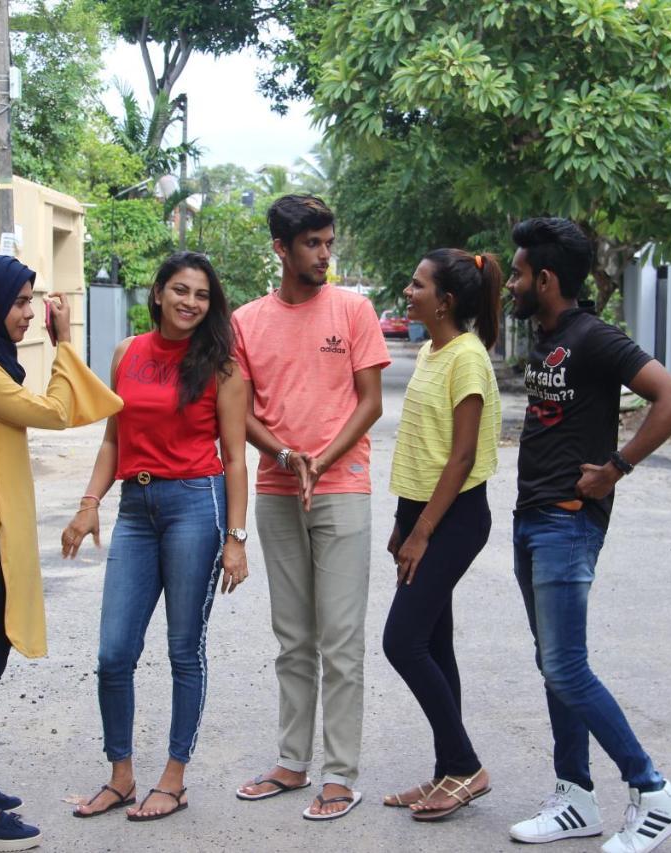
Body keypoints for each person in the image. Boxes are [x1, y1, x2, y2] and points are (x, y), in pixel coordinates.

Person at [503, 218, 671, 853]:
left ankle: (654, 790)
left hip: (567, 520)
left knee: (566, 666)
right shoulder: (547, 334)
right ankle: (576, 797)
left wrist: (616, 467)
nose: (511, 283)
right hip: (533, 517)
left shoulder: (594, 337)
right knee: (551, 664)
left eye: (519, 273)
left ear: (547, 279)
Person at [0, 254, 122, 853]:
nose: (29, 313)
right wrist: (65, 343)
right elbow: (56, 412)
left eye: (32, 299)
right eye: (17, 302)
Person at [60, 251, 249, 822]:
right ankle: (121, 775)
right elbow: (114, 439)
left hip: (196, 502)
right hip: (136, 508)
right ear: (160, 292)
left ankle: (174, 776)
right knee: (114, 652)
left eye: (202, 295)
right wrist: (90, 503)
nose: (191, 303)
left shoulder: (222, 365)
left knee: (183, 648)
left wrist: (236, 536)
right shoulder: (128, 353)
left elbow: (235, 459)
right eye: (181, 290)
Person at [233, 195, 390, 821]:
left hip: (341, 488)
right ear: (281, 248)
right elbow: (237, 412)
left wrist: (320, 461)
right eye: (313, 245)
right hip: (277, 491)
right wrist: (285, 455)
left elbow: (370, 402)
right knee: (292, 637)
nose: (325, 255)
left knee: (341, 640)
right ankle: (292, 763)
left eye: (328, 243)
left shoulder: (353, 310)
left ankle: (340, 774)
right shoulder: (246, 321)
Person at [381, 249, 503, 822]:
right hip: (424, 514)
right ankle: (446, 772)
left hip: (454, 518)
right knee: (433, 642)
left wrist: (422, 532)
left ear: (446, 301)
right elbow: (420, 446)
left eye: (418, 284)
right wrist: (403, 523)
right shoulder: (432, 350)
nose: (409, 291)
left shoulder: (468, 359)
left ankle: (466, 765)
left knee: (401, 641)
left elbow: (461, 458)